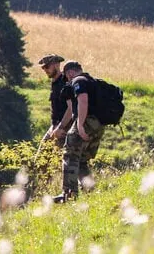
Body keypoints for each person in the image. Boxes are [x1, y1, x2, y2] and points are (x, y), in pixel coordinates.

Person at [52, 61, 108, 203]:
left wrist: (80, 125)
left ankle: (69, 194)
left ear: (70, 72)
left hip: (86, 122)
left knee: (69, 155)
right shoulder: (92, 81)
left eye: (66, 76)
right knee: (81, 159)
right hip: (99, 126)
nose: (67, 79)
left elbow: (83, 101)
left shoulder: (78, 81)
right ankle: (90, 191)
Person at [37, 54, 69, 144]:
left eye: (47, 67)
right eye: (43, 68)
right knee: (42, 154)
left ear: (57, 65)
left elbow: (71, 108)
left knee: (59, 156)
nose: (45, 70)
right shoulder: (54, 82)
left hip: (65, 126)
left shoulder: (64, 82)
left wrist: (61, 127)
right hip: (55, 125)